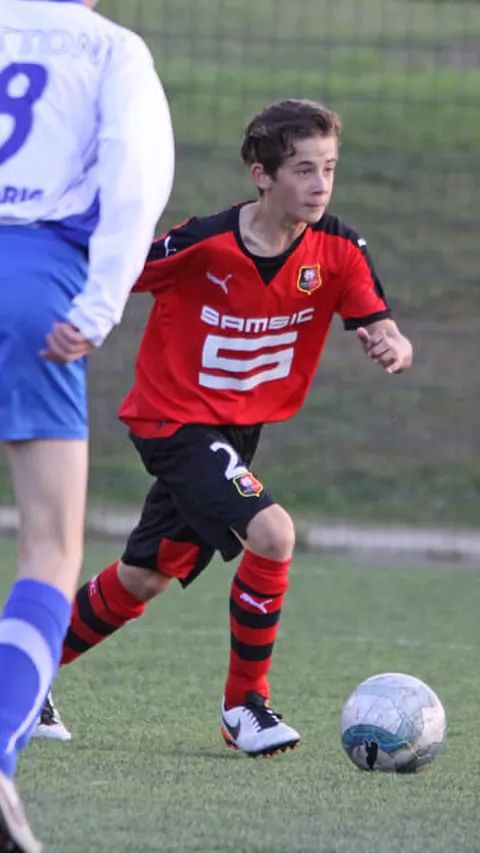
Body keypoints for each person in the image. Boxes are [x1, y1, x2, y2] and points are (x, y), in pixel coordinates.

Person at [37, 98, 412, 762]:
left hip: (235, 435)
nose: (320, 184)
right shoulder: (201, 244)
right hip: (171, 421)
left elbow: (376, 319)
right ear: (261, 175)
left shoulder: (338, 249)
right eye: (303, 169)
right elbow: (110, 270)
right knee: (273, 533)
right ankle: (244, 705)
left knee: (142, 578)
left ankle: (18, 674)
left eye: (328, 168)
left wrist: (392, 342)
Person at [0, 0, 175, 848]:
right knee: (49, 545)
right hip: (30, 280)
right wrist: (100, 305)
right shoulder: (113, 49)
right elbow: (135, 177)